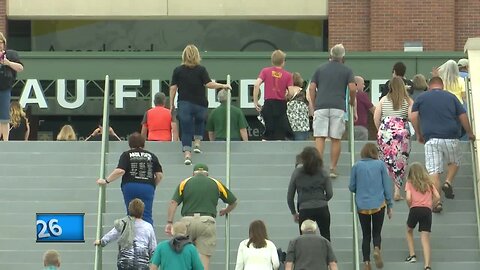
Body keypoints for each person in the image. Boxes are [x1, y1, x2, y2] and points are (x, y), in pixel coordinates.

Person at [411, 76, 475, 213]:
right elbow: (463, 116)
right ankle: (448, 182)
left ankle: (437, 203)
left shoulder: (421, 98)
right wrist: (469, 132)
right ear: (442, 86)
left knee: (433, 172)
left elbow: (413, 116)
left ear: (429, 86)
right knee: (455, 161)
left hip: (431, 139)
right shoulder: (451, 97)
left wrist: (418, 133)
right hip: (451, 137)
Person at [165, 163, 238, 270]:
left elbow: (173, 202)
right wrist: (225, 210)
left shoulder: (185, 182)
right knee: (203, 261)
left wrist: (170, 222)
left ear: (193, 173)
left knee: (184, 257)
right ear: (207, 174)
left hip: (187, 222)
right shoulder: (215, 183)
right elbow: (233, 201)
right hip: (207, 222)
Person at [169, 44, 231, 165]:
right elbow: (208, 84)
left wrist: (171, 103)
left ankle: (187, 155)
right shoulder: (201, 70)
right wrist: (222, 85)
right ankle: (197, 143)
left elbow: (173, 88)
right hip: (200, 103)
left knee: (186, 130)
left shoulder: (178, 70)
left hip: (184, 103)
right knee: (199, 121)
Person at [308, 43, 356, 178]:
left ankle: (318, 167)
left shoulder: (320, 69)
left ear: (330, 54)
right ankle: (333, 168)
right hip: (338, 106)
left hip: (321, 105)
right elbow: (352, 88)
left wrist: (314, 102)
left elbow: (312, 88)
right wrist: (351, 101)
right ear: (343, 56)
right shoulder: (347, 70)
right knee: (336, 138)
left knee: (320, 137)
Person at [96, 132, 163, 225]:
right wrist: (152, 185)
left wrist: (106, 180)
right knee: (146, 214)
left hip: (130, 185)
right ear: (143, 143)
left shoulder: (127, 154)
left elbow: (120, 171)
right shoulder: (152, 156)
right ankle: (149, 237)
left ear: (130, 143)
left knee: (131, 214)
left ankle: (132, 237)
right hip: (148, 186)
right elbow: (159, 175)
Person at [349, 143, 393, 270]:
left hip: (362, 205)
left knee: (366, 235)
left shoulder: (356, 166)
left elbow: (351, 186)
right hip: (378, 204)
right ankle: (376, 248)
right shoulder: (380, 165)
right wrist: (389, 204)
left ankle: (366, 263)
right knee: (376, 232)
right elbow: (386, 186)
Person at [374, 76, 413, 201]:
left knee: (385, 161)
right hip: (401, 133)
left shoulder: (383, 100)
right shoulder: (407, 100)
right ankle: (397, 191)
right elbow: (412, 117)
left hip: (385, 130)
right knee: (400, 161)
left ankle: (384, 191)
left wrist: (380, 129)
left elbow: (376, 116)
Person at [95, 198, 157, 270]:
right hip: (142, 263)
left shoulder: (123, 223)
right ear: (142, 211)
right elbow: (153, 247)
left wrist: (101, 241)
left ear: (129, 210)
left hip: (125, 262)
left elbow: (112, 234)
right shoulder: (148, 226)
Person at [287, 146, 332, 240]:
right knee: (326, 236)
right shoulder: (323, 172)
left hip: (305, 208)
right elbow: (330, 193)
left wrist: (294, 212)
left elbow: (290, 196)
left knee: (304, 239)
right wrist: (322, 199)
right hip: (322, 208)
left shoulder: (297, 172)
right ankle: (326, 253)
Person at [404, 162, 440, 270]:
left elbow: (408, 198)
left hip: (415, 209)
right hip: (427, 211)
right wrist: (431, 205)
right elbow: (437, 196)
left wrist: (410, 206)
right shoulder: (429, 183)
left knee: (409, 230)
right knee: (425, 238)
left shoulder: (410, 182)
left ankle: (412, 255)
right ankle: (427, 265)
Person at [253, 49, 294, 141]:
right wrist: (287, 96)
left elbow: (256, 85)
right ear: (283, 62)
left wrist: (255, 102)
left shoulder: (265, 71)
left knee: (269, 130)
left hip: (268, 103)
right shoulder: (288, 75)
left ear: (272, 61)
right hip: (281, 104)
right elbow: (291, 92)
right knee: (282, 131)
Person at [0, 32, 24, 141]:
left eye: (1, 42)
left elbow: (20, 68)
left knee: (4, 117)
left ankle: (5, 140)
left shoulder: (10, 55)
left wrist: (8, 63)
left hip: (5, 87)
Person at [286, 72, 310, 141]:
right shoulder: (304, 93)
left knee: (287, 149)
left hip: (288, 125)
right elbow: (310, 108)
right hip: (302, 126)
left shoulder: (286, 92)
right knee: (300, 148)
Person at [354, 76, 375, 140]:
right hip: (360, 128)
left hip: (348, 129)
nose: (364, 86)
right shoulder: (361, 95)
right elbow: (373, 110)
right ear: (356, 84)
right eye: (362, 84)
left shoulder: (346, 95)